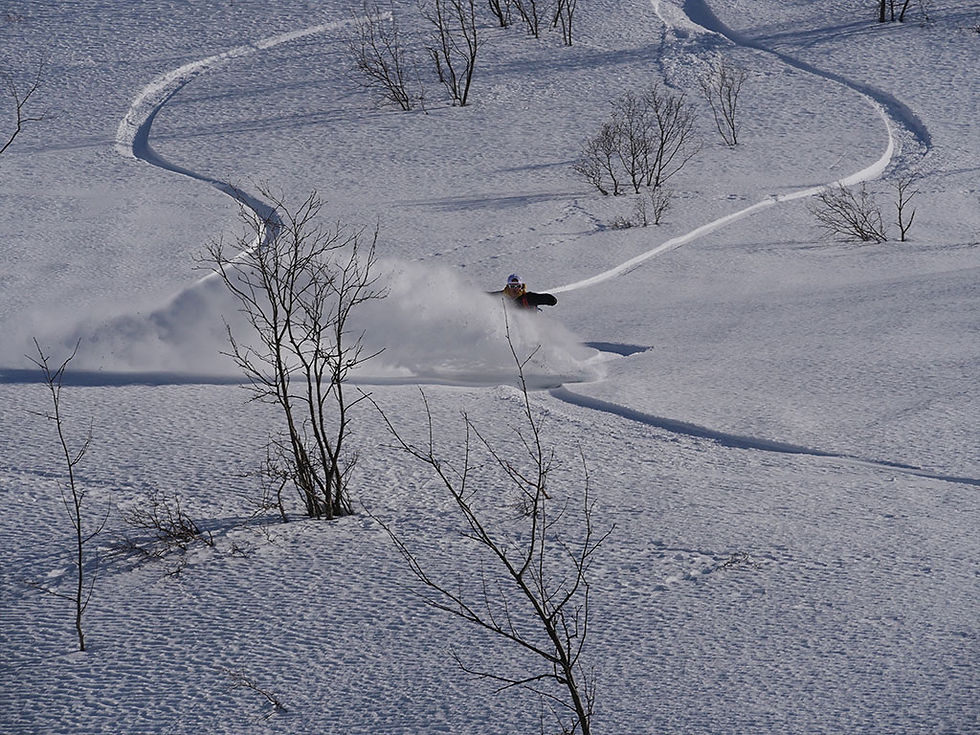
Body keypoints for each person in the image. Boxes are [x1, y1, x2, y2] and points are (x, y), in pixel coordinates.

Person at [492, 273, 558, 310]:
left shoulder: (528, 298)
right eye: (512, 286)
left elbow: (550, 300)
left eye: (517, 286)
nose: (515, 289)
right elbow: (484, 297)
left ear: (521, 287)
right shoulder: (501, 296)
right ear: (508, 286)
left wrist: (549, 299)